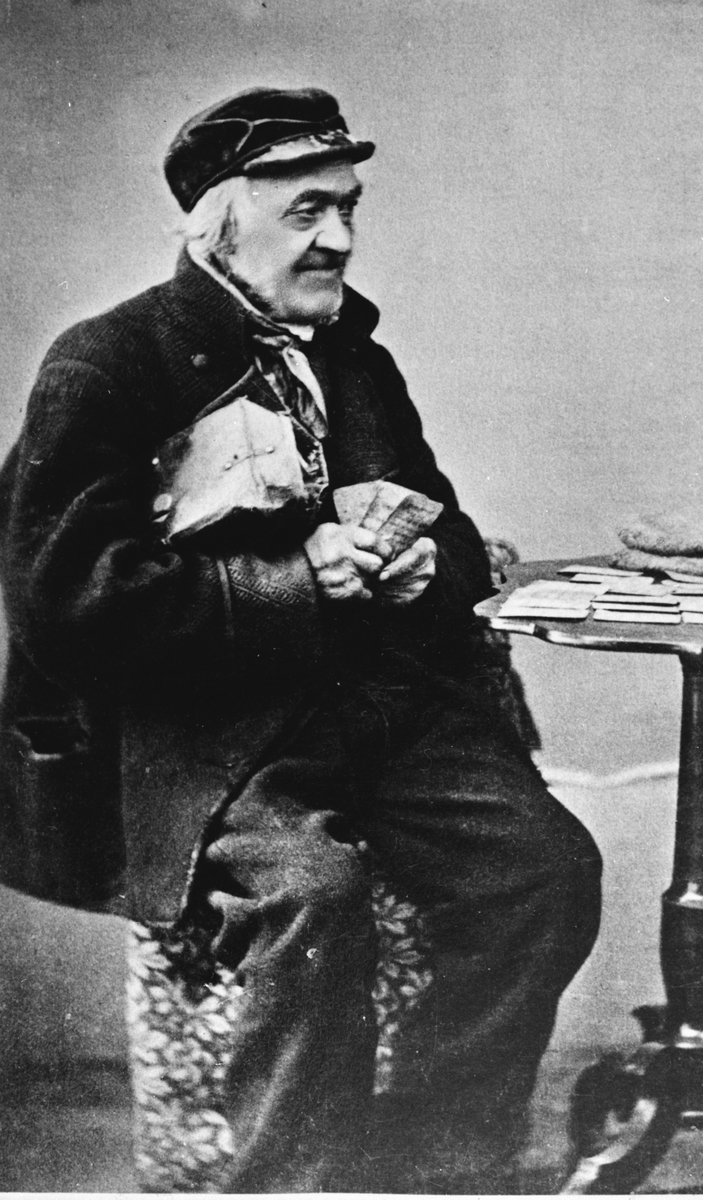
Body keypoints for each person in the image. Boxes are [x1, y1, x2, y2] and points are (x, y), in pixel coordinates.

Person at [0, 86, 601, 1193]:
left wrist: (428, 567)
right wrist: (295, 582)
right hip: (213, 740)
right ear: (218, 225)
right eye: (306, 211)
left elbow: (448, 527)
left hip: (381, 712)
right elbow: (65, 601)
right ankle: (284, 1185)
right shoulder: (108, 363)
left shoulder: (354, 358)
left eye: (347, 207)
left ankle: (431, 1168)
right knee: (310, 899)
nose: (338, 239)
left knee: (544, 871)